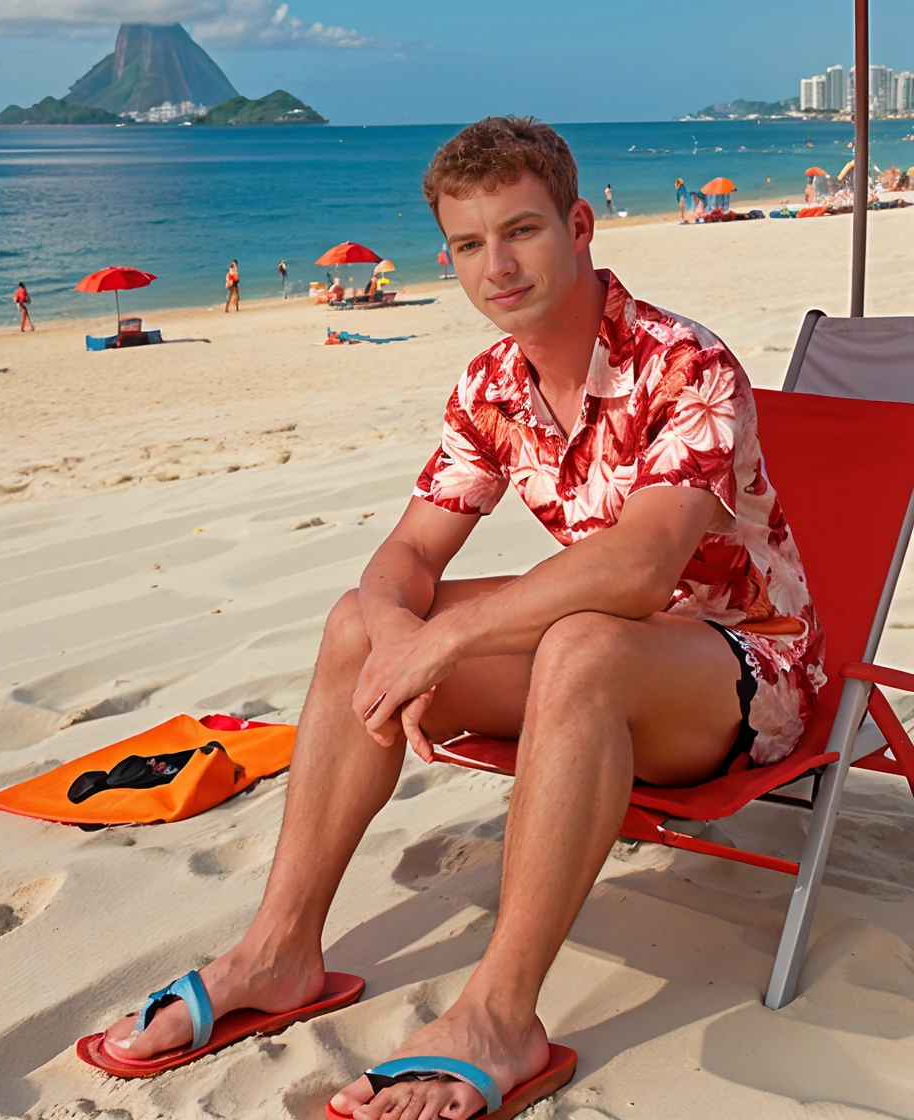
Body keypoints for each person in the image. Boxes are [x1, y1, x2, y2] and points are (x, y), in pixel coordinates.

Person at [89, 117, 823, 1115]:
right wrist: (398, 635)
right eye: (471, 245)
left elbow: (645, 564)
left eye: (520, 231)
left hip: (744, 669)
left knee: (583, 640)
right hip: (599, 665)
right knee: (359, 623)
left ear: (578, 225)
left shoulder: (681, 363)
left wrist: (453, 637)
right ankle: (278, 952)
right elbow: (406, 555)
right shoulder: (492, 385)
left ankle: (502, 1015)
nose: (497, 266)